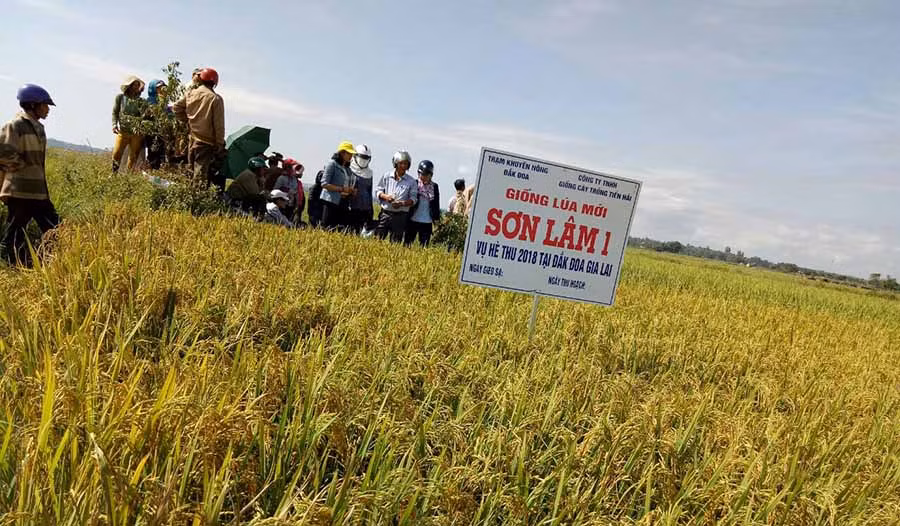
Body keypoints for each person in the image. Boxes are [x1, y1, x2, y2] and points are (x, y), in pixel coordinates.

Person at [0, 84, 59, 266]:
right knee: (14, 234)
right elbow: (3, 153)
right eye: (45, 105)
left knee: (56, 229)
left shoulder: (39, 128)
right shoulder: (15, 125)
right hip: (19, 191)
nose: (48, 109)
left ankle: (53, 263)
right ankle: (9, 266)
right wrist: (23, 166)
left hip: (38, 192)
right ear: (33, 105)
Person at [173, 67, 225, 189]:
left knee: (190, 170)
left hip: (192, 138)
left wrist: (187, 121)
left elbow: (176, 108)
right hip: (206, 142)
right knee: (200, 175)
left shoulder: (191, 93)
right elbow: (219, 124)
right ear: (215, 82)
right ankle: (196, 198)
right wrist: (220, 143)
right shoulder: (215, 98)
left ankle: (186, 195)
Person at [374, 150, 417, 242]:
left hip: (400, 216)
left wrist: (402, 203)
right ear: (395, 163)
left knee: (395, 243)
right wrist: (386, 197)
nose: (403, 166)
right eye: (401, 163)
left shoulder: (412, 181)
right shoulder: (386, 176)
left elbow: (413, 199)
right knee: (378, 239)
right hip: (385, 213)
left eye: (406, 164)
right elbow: (378, 191)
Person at [111, 75, 146, 173]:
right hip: (123, 131)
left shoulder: (141, 101)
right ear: (129, 86)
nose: (136, 87)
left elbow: (143, 117)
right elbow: (115, 112)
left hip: (136, 133)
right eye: (134, 84)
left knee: (133, 156)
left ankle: (129, 177)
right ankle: (114, 173)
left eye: (137, 85)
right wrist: (114, 125)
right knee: (117, 153)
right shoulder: (120, 98)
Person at [320, 141, 356, 231]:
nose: (351, 156)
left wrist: (351, 190)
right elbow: (324, 183)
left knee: (340, 228)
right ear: (342, 153)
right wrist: (341, 189)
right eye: (349, 153)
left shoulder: (347, 169)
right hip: (331, 201)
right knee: (327, 228)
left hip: (343, 202)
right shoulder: (332, 164)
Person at [405, 160, 441, 246]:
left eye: (425, 174)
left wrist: (436, 220)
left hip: (427, 221)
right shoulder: (414, 183)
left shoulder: (434, 186)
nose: (423, 176)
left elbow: (436, 204)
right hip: (413, 219)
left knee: (424, 246)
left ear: (431, 175)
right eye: (421, 174)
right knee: (407, 245)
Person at [348, 143, 374, 234]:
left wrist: (370, 210)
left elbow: (369, 191)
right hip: (351, 207)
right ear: (355, 156)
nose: (364, 160)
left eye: (366, 158)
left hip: (364, 209)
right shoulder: (349, 169)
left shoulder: (369, 173)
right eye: (362, 157)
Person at [144, 79, 170, 170]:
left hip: (162, 130)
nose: (162, 89)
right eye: (159, 88)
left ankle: (158, 170)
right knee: (153, 152)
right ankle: (153, 169)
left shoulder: (164, 100)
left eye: (163, 87)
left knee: (161, 152)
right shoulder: (150, 101)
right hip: (152, 131)